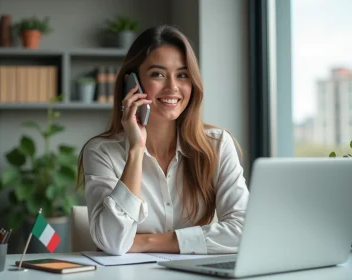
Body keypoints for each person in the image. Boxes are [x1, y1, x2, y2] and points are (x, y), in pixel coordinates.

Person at [76, 24, 249, 256]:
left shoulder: (217, 145)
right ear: (133, 83)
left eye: (183, 75)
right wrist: (136, 151)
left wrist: (146, 242)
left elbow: (244, 232)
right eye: (158, 74)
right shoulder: (101, 151)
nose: (173, 87)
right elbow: (113, 241)